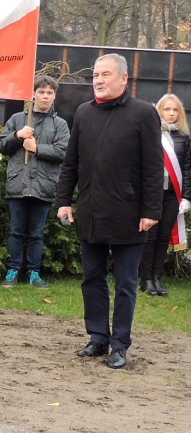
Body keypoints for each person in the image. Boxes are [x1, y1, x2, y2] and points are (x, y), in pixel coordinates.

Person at [56, 53, 163, 370]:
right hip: (90, 212)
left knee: (126, 284)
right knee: (92, 278)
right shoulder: (84, 113)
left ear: (124, 79)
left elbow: (153, 169)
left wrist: (151, 210)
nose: (99, 81)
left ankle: (120, 345)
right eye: (95, 76)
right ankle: (98, 338)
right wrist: (64, 200)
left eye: (105, 75)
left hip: (130, 215)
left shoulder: (143, 114)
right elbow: (70, 163)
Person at [0, 75, 69, 289]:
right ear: (34, 94)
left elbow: (63, 151)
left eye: (49, 93)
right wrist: (17, 136)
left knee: (37, 233)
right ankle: (13, 270)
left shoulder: (60, 124)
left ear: (54, 96)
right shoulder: (18, 120)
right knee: (16, 231)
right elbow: (1, 146)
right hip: (18, 184)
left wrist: (37, 148)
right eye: (41, 92)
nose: (45, 96)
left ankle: (34, 272)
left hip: (44, 186)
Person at [139, 94, 191, 297]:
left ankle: (157, 278)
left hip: (172, 196)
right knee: (149, 238)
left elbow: (187, 169)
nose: (171, 113)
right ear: (159, 111)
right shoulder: (151, 133)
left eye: (175, 110)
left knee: (163, 239)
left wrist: (187, 197)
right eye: (167, 109)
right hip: (152, 194)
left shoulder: (184, 138)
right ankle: (146, 280)